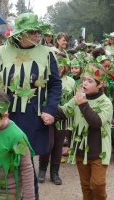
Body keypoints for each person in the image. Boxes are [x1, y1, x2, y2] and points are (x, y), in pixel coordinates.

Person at [0, 13, 62, 200]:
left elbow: (55, 84)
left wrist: (50, 109)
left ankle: (30, 195)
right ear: (21, 34)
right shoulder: (3, 51)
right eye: (33, 32)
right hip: (6, 115)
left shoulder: (48, 53)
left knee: (26, 162)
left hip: (33, 117)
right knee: (3, 156)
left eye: (38, 31)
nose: (38, 35)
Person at [56, 64, 113, 200]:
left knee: (97, 184)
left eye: (90, 81)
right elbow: (64, 112)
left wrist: (83, 104)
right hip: (80, 151)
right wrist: (45, 110)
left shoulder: (105, 103)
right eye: (84, 79)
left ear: (101, 84)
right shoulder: (78, 98)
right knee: (86, 186)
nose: (85, 83)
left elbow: (96, 123)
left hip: (98, 152)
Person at [38, 56, 75, 185]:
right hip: (47, 118)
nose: (59, 68)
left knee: (58, 146)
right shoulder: (44, 80)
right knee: (48, 143)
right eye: (56, 65)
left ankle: (55, 172)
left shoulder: (70, 81)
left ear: (66, 67)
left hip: (62, 119)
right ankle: (42, 170)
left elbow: (73, 101)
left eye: (61, 66)